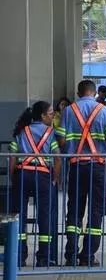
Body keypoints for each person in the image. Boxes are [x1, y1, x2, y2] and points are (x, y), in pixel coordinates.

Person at [56, 80, 106, 267]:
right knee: (96, 211)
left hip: (76, 167)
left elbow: (60, 141)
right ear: (94, 93)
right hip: (98, 168)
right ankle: (87, 256)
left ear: (78, 92)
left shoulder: (69, 111)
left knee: (75, 209)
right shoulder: (105, 111)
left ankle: (70, 254)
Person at [9, 101, 62, 267]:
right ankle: (44, 257)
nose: (53, 116)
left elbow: (12, 157)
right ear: (42, 115)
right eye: (51, 113)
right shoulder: (50, 133)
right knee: (44, 216)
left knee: (19, 215)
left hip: (22, 174)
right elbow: (57, 158)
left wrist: (13, 177)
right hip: (43, 176)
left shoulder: (21, 131)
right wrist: (55, 178)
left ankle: (19, 256)